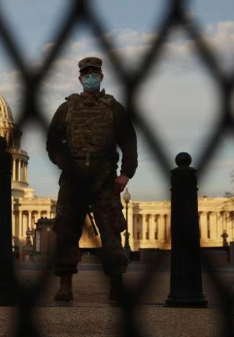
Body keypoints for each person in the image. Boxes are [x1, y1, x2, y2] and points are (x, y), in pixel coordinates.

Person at [46, 57, 138, 302]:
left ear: (101, 76)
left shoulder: (113, 108)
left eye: (94, 73)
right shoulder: (66, 108)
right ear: (80, 78)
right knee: (66, 233)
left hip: (104, 180)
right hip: (73, 181)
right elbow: (52, 143)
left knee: (111, 234)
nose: (90, 77)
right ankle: (65, 284)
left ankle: (116, 283)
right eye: (86, 74)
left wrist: (126, 174)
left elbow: (129, 142)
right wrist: (64, 164)